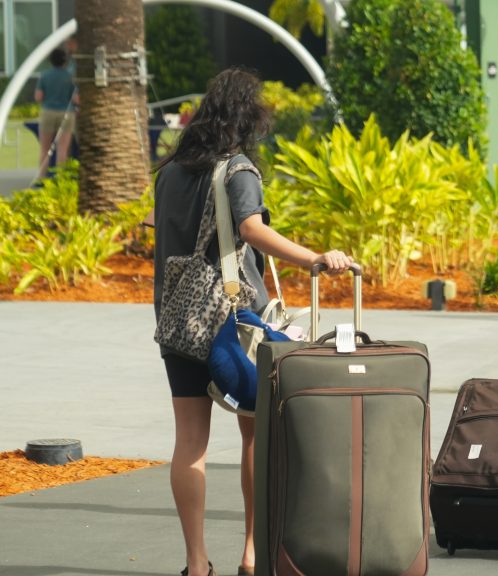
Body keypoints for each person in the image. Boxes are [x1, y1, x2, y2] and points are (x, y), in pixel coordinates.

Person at [153, 67, 353, 576]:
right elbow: (250, 229)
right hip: (233, 320)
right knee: (254, 433)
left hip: (179, 322)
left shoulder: (171, 171)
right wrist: (313, 258)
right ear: (248, 119)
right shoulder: (237, 169)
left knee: (189, 444)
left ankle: (196, 563)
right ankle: (252, 552)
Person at [34, 48, 78, 181]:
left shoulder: (45, 75)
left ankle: (42, 178)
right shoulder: (70, 77)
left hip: (48, 112)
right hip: (66, 113)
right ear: (65, 61)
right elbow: (76, 98)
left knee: (45, 149)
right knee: (62, 148)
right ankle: (60, 178)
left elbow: (38, 97)